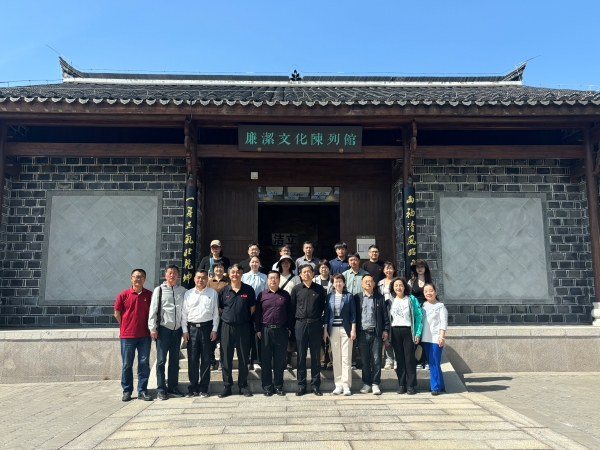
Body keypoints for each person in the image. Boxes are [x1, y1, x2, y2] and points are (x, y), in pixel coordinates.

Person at [148, 264, 186, 401]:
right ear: (165, 275)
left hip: (177, 330)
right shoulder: (159, 290)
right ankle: (161, 389)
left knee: (174, 361)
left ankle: (173, 387)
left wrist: (184, 329)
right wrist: (153, 328)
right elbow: (153, 310)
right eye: (170, 273)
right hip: (164, 329)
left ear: (178, 275)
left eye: (174, 273)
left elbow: (185, 311)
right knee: (161, 361)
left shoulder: (182, 290)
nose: (172, 275)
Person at [114, 269, 153, 402]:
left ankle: (142, 390)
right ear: (131, 278)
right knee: (127, 364)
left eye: (141, 277)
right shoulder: (123, 295)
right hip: (127, 336)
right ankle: (127, 391)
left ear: (145, 279)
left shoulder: (149, 295)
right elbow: (117, 313)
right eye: (136, 277)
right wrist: (126, 325)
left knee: (144, 363)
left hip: (145, 335)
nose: (138, 279)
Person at [218, 264, 256, 398]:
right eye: (233, 272)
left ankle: (243, 385)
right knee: (226, 357)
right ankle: (227, 386)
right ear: (229, 274)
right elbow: (220, 309)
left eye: (238, 272)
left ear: (242, 274)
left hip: (243, 327)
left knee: (243, 356)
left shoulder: (248, 289)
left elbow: (252, 308)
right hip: (226, 326)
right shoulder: (224, 290)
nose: (235, 274)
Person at [255, 271, 294, 396]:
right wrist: (258, 329)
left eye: (276, 278)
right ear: (267, 280)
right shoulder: (262, 295)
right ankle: (267, 387)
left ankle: (278, 386)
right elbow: (257, 314)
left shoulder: (285, 295)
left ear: (279, 280)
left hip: (281, 330)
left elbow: (290, 313)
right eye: (271, 278)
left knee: (279, 360)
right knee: (266, 360)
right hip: (265, 330)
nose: (273, 280)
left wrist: (289, 328)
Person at [181, 270, 219, 398]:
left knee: (206, 359)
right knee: (192, 359)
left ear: (207, 279)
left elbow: (216, 313)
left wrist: (214, 329)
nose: (200, 280)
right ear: (194, 279)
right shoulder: (188, 294)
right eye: (198, 278)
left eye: (203, 278)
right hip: (192, 329)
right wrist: (185, 330)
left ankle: (204, 388)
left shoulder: (212, 293)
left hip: (207, 328)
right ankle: (193, 388)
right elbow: (184, 314)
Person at [291, 264, 326, 396]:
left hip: (315, 324)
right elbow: (292, 307)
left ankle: (315, 385)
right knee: (301, 356)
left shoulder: (319, 289)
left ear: (313, 274)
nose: (306, 274)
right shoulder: (296, 289)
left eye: (309, 272)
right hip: (300, 324)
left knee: (316, 356)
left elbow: (323, 307)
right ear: (300, 275)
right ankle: (301, 385)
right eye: (304, 272)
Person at [354, 275, 389, 395]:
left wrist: (385, 330)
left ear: (374, 284)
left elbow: (385, 316)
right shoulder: (357, 298)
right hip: (362, 333)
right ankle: (366, 383)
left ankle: (375, 383)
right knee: (365, 360)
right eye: (366, 281)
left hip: (376, 333)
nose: (368, 283)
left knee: (376, 360)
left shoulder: (379, 297)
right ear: (362, 284)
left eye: (370, 281)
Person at [322, 274, 356, 395]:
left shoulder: (349, 296)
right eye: (336, 282)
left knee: (346, 358)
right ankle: (338, 385)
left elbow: (353, 314)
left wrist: (353, 329)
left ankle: (346, 385)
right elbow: (326, 315)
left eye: (340, 281)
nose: (338, 284)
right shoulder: (329, 296)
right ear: (333, 284)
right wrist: (325, 330)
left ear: (344, 283)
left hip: (346, 329)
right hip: (333, 329)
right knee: (336, 358)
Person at [389, 277, 423, 395]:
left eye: (401, 285)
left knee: (409, 359)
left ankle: (411, 385)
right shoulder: (390, 301)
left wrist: (418, 333)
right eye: (396, 285)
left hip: (408, 331)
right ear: (393, 288)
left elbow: (418, 316)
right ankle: (401, 384)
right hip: (395, 331)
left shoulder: (411, 299)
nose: (398, 287)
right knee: (399, 359)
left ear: (405, 287)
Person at [421, 283, 448, 396]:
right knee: (433, 362)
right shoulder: (423, 306)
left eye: (431, 290)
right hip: (425, 338)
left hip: (436, 338)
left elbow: (444, 322)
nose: (428, 293)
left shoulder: (440, 306)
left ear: (435, 292)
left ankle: (435, 387)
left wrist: (442, 337)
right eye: (426, 291)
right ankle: (441, 385)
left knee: (434, 362)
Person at [343, 253, 368, 369]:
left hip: (362, 306)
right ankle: (352, 360)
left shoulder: (365, 275)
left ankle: (364, 360)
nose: (353, 262)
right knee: (350, 333)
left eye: (355, 260)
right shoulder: (344, 275)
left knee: (362, 333)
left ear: (359, 261)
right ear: (348, 262)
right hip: (347, 308)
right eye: (351, 260)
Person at [241, 256, 267, 370]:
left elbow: (266, 292)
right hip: (246, 308)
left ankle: (256, 360)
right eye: (253, 262)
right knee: (246, 334)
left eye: (257, 262)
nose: (254, 264)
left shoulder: (264, 277)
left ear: (260, 264)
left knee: (257, 334)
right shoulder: (244, 276)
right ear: (249, 263)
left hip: (259, 308)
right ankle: (246, 359)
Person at [276, 255, 301, 369]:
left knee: (290, 333)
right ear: (280, 264)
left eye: (288, 262)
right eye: (283, 262)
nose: (286, 264)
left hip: (291, 308)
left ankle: (288, 360)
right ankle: (280, 359)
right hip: (278, 308)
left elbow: (298, 294)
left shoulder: (296, 278)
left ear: (291, 264)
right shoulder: (276, 277)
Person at [408, 259, 432, 369]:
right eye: (417, 267)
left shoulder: (430, 282)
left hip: (427, 309)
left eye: (422, 266)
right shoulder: (411, 281)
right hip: (415, 310)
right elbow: (408, 296)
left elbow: (434, 296)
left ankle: (425, 360)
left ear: (425, 268)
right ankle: (416, 360)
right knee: (416, 333)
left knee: (426, 334)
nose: (420, 268)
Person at [208, 262, 229, 371]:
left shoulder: (228, 281)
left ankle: (222, 360)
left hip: (225, 313)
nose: (219, 269)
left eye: (221, 267)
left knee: (223, 338)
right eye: (216, 267)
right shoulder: (209, 282)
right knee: (211, 338)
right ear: (213, 270)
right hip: (211, 314)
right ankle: (212, 360)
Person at [313, 259, 333, 369]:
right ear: (318, 269)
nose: (324, 269)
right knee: (319, 336)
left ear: (329, 268)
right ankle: (322, 360)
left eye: (326, 267)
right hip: (318, 310)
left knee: (330, 335)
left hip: (331, 310)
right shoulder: (314, 280)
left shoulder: (333, 280)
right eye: (321, 267)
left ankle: (330, 360)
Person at [378, 261, 397, 370]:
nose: (388, 270)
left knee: (396, 334)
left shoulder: (398, 281)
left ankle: (397, 359)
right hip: (384, 311)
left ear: (394, 270)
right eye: (386, 268)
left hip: (397, 311)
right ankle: (389, 360)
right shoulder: (380, 283)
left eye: (390, 268)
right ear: (383, 270)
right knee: (386, 335)